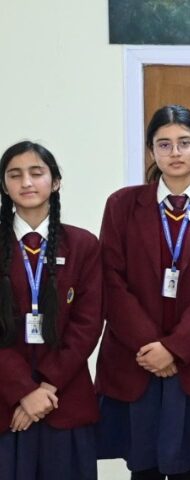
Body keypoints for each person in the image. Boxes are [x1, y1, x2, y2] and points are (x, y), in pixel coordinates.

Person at [95, 105, 190, 480]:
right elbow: (110, 279)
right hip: (136, 359)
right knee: (142, 467)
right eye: (164, 144)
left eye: (184, 143)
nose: (175, 153)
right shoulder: (122, 205)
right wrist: (151, 347)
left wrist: (174, 348)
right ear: (151, 152)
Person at [0, 141, 103, 480]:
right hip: (6, 405)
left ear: (55, 182)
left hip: (65, 401)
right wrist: (23, 391)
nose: (26, 183)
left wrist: (46, 386)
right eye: (15, 175)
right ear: (4, 185)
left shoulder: (83, 245)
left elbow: (87, 325)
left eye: (36, 173)